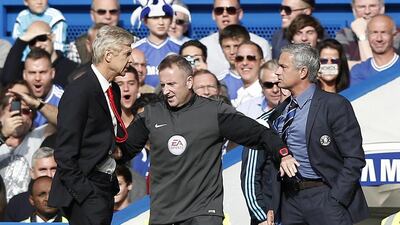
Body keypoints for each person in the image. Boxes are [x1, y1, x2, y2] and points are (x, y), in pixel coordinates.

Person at [122, 54, 296, 225]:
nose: (166, 90)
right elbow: (123, 150)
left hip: (204, 213)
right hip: (164, 214)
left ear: (189, 82)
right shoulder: (151, 115)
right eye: (163, 85)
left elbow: (259, 133)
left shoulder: (214, 112)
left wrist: (283, 153)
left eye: (172, 84)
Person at [272, 43, 369, 224]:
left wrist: (336, 199)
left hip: (325, 196)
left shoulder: (334, 105)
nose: (277, 72)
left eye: (283, 67)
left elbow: (354, 158)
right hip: (290, 200)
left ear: (302, 72)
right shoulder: (281, 111)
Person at [48, 25, 135, 225]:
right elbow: (64, 153)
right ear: (108, 55)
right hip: (87, 192)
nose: (130, 59)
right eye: (127, 53)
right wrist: (86, 194)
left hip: (104, 187)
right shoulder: (80, 91)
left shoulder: (113, 89)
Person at [239, 60, 286, 225]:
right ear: (261, 85)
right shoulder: (259, 125)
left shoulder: (298, 118)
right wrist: (260, 216)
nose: (275, 89)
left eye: (278, 83)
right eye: (268, 84)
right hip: (268, 215)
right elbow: (250, 178)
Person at [0, 81, 55, 201]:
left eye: (25, 111)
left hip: (26, 209)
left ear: (32, 117)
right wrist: (3, 135)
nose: (19, 115)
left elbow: (66, 121)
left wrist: (36, 104)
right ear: (1, 114)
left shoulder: (38, 136)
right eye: (13, 109)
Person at [200, 0, 271, 77]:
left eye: (231, 10)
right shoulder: (203, 45)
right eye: (219, 10)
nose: (225, 14)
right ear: (213, 14)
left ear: (240, 14)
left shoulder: (260, 44)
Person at [2, 21, 78, 88]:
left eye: (42, 38)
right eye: (32, 41)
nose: (38, 44)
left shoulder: (71, 68)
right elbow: (7, 81)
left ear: (53, 37)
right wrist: (21, 42)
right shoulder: (26, 68)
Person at [335, 0, 400, 67]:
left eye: (372, 6)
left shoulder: (395, 35)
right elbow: (339, 67)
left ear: (382, 9)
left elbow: (378, 68)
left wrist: (362, 36)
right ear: (354, 11)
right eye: (361, 7)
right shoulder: (344, 34)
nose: (367, 12)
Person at [132, 0, 180, 88]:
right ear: (145, 20)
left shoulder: (180, 49)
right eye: (155, 17)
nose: (161, 22)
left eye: (165, 17)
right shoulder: (134, 49)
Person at [4, 147, 57, 222]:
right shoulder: (17, 204)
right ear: (32, 173)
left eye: (53, 169)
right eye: (43, 170)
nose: (49, 174)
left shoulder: (70, 202)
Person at [350, 15, 400, 86]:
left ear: (394, 35)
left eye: (384, 32)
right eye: (374, 32)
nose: (379, 39)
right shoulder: (358, 71)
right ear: (367, 35)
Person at [67, 0, 121, 64]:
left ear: (119, 14)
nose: (108, 16)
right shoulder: (77, 46)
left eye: (113, 12)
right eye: (101, 12)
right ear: (92, 15)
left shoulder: (133, 42)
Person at [22, 48, 62, 128]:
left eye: (42, 72)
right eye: (32, 73)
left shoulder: (63, 99)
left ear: (52, 73)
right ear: (24, 75)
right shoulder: (17, 97)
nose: (37, 78)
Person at [219, 24, 251, 99]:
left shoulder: (262, 78)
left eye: (236, 46)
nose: (232, 52)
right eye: (227, 47)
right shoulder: (220, 83)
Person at [231, 41, 264, 108]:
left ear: (262, 62)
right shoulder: (239, 93)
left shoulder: (267, 95)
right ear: (235, 63)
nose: (244, 63)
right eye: (239, 58)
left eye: (251, 58)